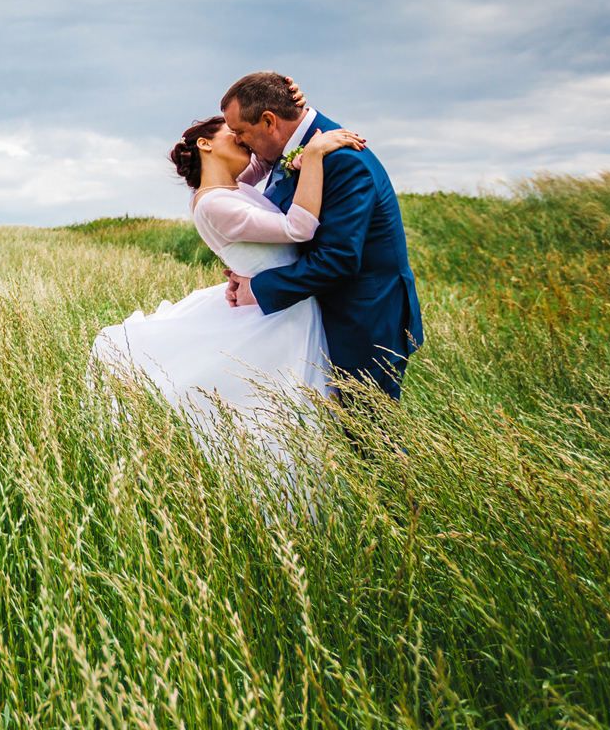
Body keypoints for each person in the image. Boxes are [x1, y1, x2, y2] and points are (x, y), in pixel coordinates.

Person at [89, 93, 366, 450]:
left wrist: (292, 102)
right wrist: (312, 156)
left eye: (244, 136)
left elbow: (268, 159)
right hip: (277, 318)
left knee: (289, 419)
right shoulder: (215, 203)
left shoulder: (232, 187)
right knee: (275, 422)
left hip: (283, 306)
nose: (243, 141)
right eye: (234, 136)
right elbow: (299, 229)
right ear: (205, 143)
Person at [218, 72, 423, 404]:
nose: (240, 141)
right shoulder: (290, 149)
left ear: (269, 121)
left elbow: (338, 258)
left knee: (368, 435)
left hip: (362, 322)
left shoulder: (341, 159)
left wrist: (257, 289)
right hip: (324, 315)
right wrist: (249, 273)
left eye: (241, 132)